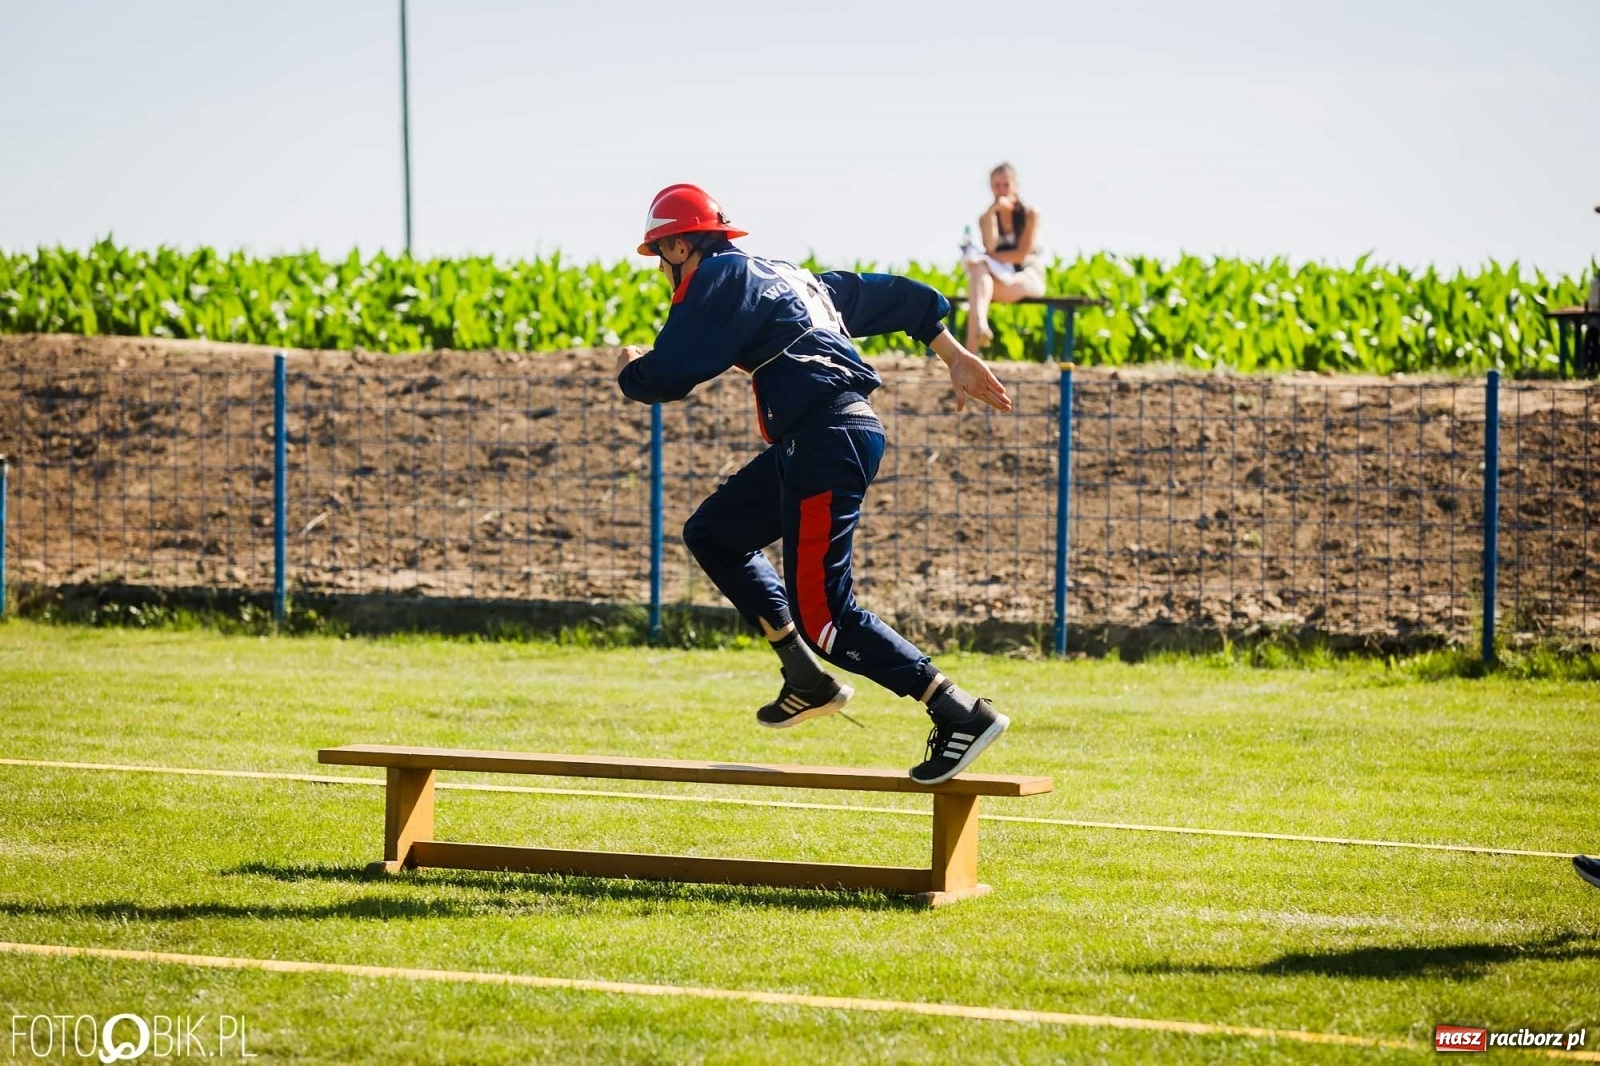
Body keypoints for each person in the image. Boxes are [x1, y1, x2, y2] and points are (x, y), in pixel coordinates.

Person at [615, 183, 1015, 784]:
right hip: (826, 436)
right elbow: (903, 299)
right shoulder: (792, 277)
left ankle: (958, 711)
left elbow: (669, 374)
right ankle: (804, 677)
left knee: (826, 618)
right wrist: (952, 353)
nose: (665, 274)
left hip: (824, 441)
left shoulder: (716, 278)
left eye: (662, 259)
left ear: (675, 246)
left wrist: (631, 370)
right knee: (716, 532)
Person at [963, 162, 1046, 352]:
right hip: (999, 277)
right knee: (978, 271)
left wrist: (991, 256)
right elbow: (990, 245)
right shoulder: (986, 217)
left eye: (1005, 185)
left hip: (1027, 277)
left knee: (978, 279)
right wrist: (992, 213)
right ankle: (980, 327)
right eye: (996, 186)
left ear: (1015, 185)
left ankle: (971, 349)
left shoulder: (1030, 214)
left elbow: (1020, 255)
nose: (1001, 190)